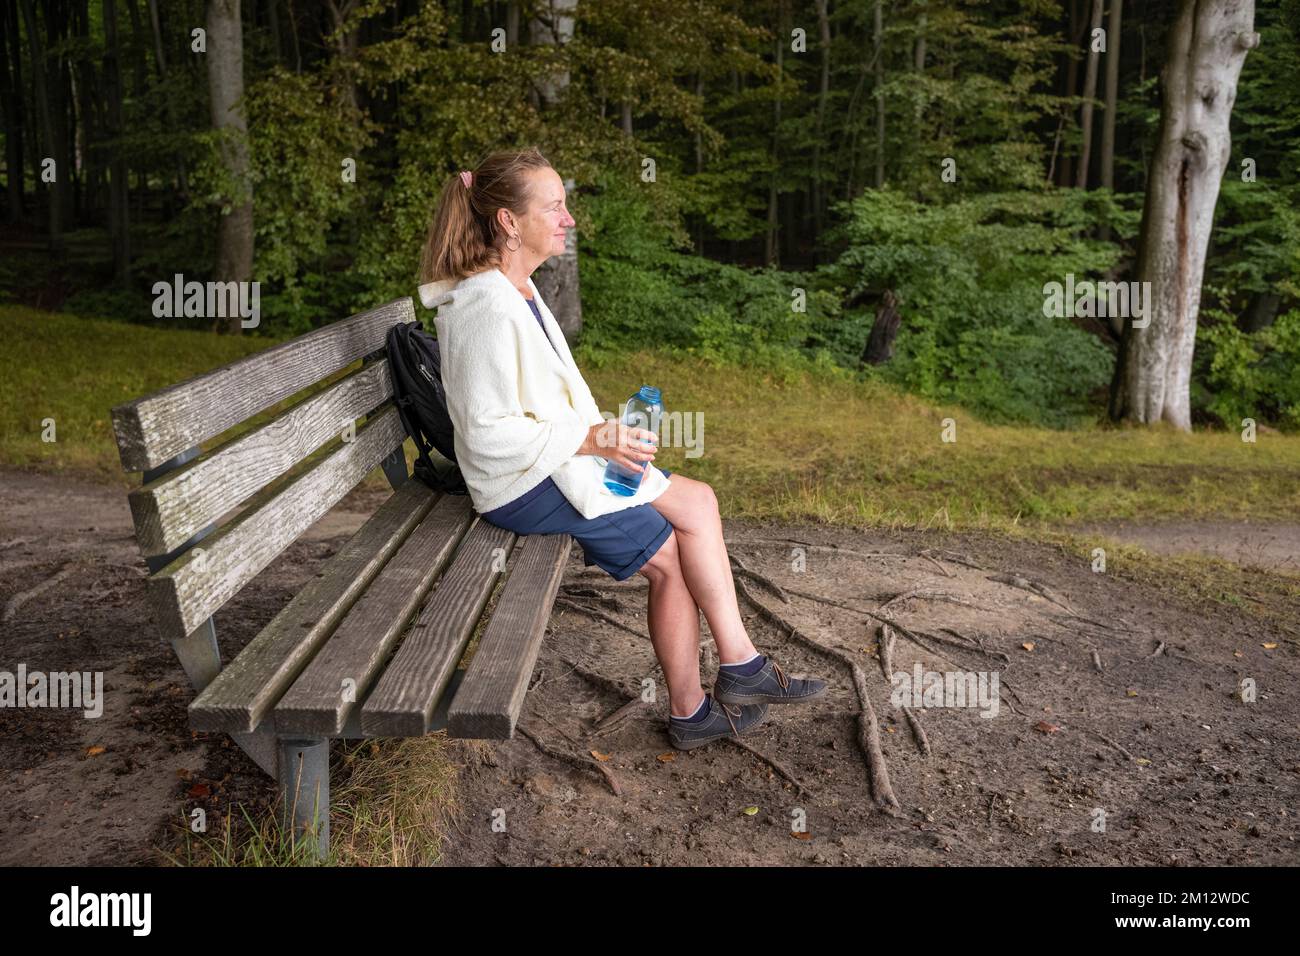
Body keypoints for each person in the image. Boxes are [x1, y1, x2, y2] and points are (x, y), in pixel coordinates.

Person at [416, 147, 827, 750]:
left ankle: (721, 685)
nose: (568, 218)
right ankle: (720, 687)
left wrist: (604, 437)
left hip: (552, 465)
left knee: (694, 512)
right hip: (524, 486)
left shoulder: (517, 291)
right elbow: (483, 433)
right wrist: (591, 439)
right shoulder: (487, 306)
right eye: (554, 206)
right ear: (509, 221)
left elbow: (541, 403)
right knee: (674, 555)